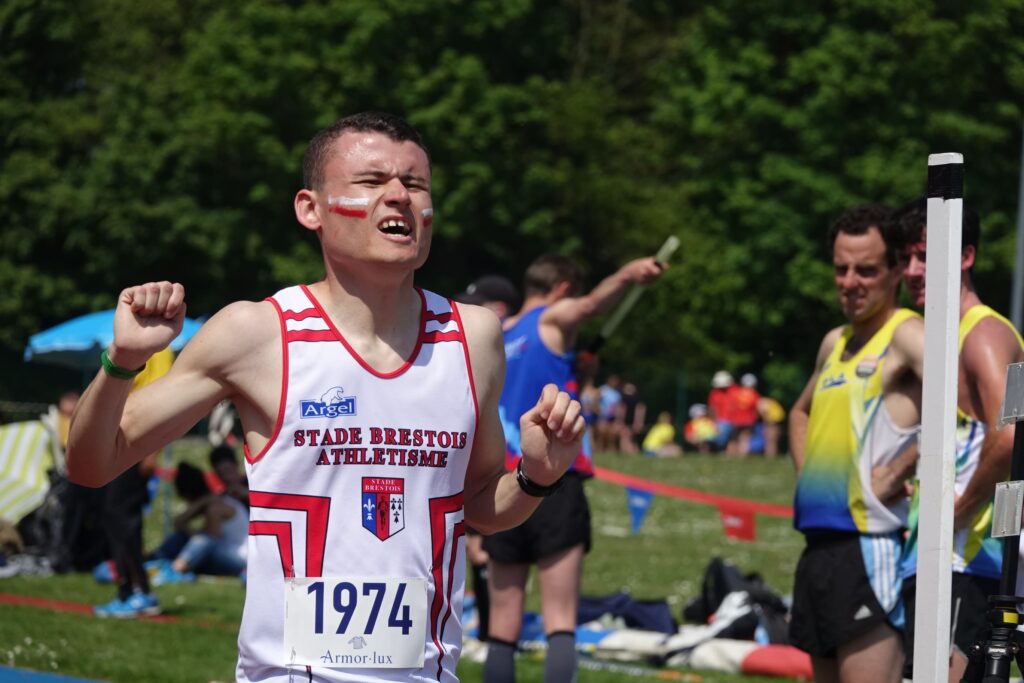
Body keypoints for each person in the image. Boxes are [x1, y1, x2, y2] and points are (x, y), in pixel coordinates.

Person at [66, 112, 585, 682]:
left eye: (415, 184)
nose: (399, 197)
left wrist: (537, 475)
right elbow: (93, 464)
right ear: (310, 208)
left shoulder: (475, 336)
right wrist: (124, 362)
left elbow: (481, 506)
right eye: (371, 182)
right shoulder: (256, 333)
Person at [483, 252, 664, 683]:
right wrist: (627, 273)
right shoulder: (552, 317)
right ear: (563, 288)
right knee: (560, 619)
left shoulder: (497, 335)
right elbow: (590, 308)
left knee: (501, 626)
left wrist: (577, 374)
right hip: (551, 480)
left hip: (503, 484)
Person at [886, 199, 1024, 682]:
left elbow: (1008, 437)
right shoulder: (946, 337)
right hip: (941, 557)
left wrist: (958, 511)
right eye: (906, 258)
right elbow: (966, 436)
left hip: (967, 560)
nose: (912, 271)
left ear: (964, 257)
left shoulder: (984, 334)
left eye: (924, 256)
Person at [787, 204, 925, 683]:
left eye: (866, 270)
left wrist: (905, 466)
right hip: (818, 549)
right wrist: (811, 476)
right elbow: (798, 412)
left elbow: (964, 410)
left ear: (895, 273)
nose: (850, 281)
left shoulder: (906, 334)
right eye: (841, 269)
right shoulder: (834, 341)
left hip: (870, 549)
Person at [453, 274, 522, 644]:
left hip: (507, 462)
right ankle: (485, 627)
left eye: (473, 304)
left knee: (483, 549)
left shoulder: (502, 341)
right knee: (475, 546)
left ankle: (488, 629)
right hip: (485, 453)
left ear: (497, 310)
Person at [93, 346, 173, 617]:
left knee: (120, 516)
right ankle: (133, 590)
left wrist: (152, 452)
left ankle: (138, 592)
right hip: (123, 442)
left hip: (136, 444)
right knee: (117, 516)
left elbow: (163, 400)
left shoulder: (158, 348)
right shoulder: (140, 341)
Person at [149, 461, 248, 584]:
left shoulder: (216, 507)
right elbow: (179, 522)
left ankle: (175, 569)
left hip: (239, 560)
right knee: (187, 537)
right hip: (222, 554)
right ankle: (158, 559)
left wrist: (194, 533)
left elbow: (211, 540)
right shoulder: (218, 501)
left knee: (204, 539)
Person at [707, 370, 736, 453]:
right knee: (721, 438)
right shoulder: (714, 393)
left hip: (734, 420)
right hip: (721, 421)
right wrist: (713, 421)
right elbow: (712, 408)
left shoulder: (735, 391)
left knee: (733, 439)